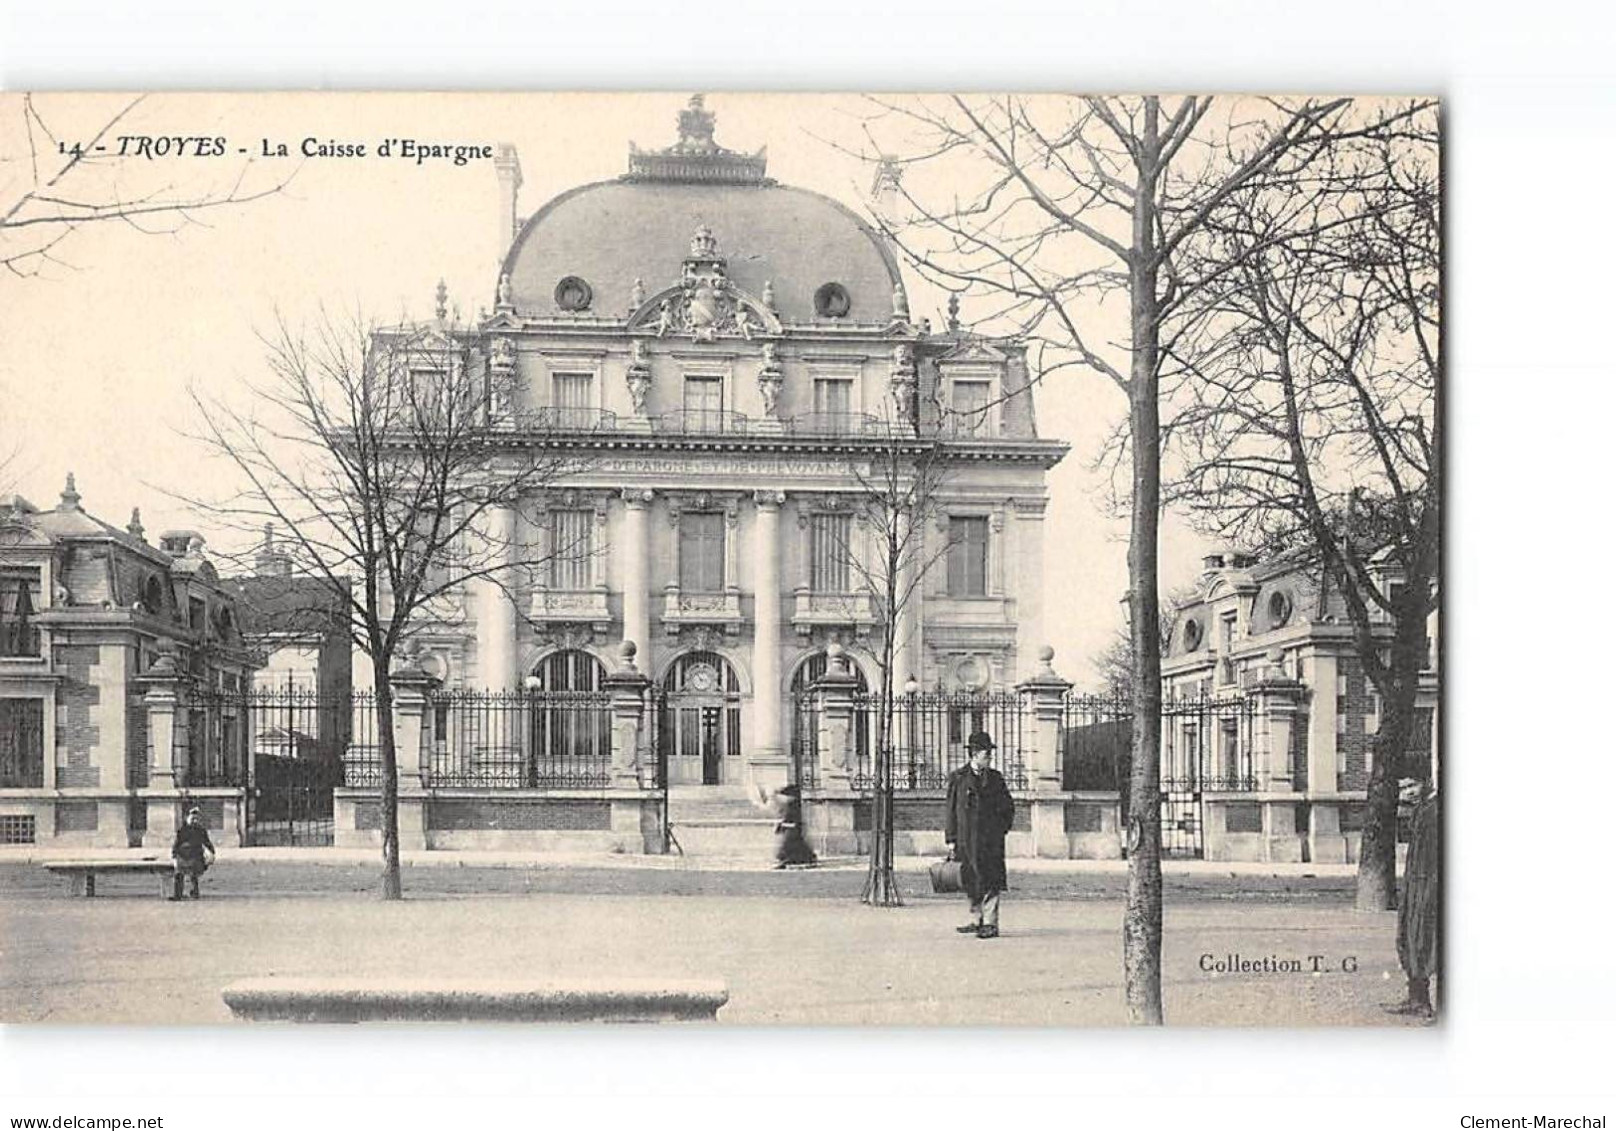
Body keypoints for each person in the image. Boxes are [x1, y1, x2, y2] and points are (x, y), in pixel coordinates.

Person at [945, 731, 1015, 939]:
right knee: (971, 879)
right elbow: (950, 810)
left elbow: (1008, 807)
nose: (990, 758)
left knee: (991, 881)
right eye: (987, 754)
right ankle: (976, 920)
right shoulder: (958, 778)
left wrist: (1000, 830)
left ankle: (991, 924)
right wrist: (951, 838)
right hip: (967, 840)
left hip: (991, 841)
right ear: (974, 754)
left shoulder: (996, 779)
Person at [1388, 778, 1440, 1020]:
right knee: (1408, 938)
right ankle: (1416, 997)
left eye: (1412, 787)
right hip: (1414, 883)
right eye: (1402, 789)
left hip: (1428, 884)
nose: (1406, 793)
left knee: (1424, 940)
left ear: (1426, 784)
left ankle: (1426, 1004)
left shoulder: (1435, 812)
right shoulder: (1421, 809)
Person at [170, 806, 216, 901]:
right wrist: (174, 856)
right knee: (179, 873)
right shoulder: (182, 830)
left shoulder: (200, 830)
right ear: (187, 817)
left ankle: (194, 892)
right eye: (192, 817)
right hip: (183, 856)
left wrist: (212, 853)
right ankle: (178, 894)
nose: (194, 820)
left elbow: (207, 842)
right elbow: (176, 844)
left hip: (195, 856)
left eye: (196, 818)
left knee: (193, 873)